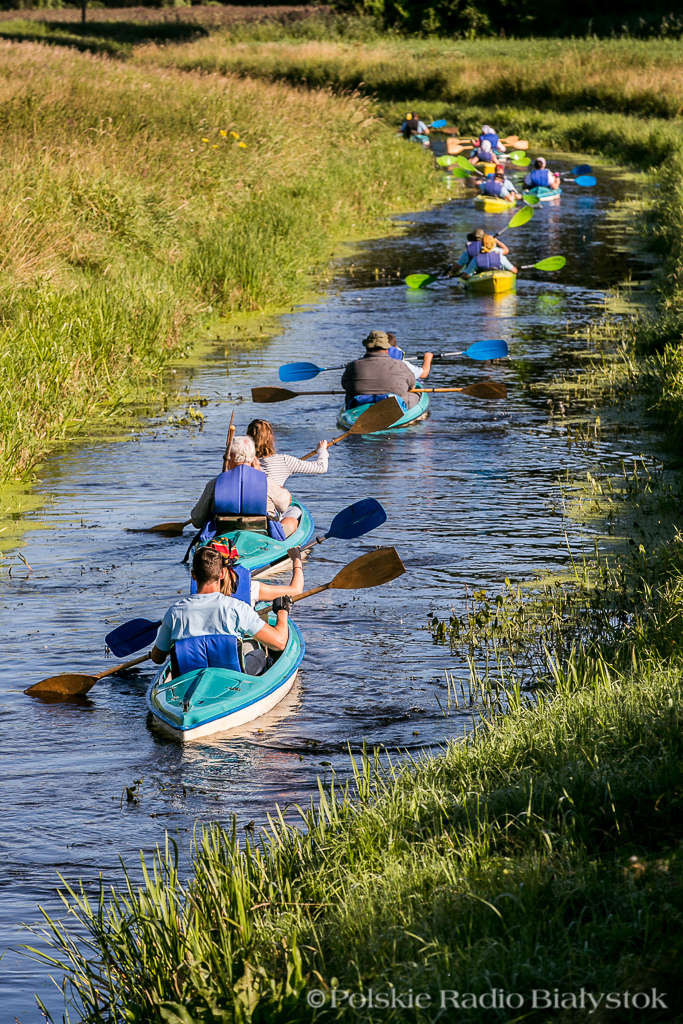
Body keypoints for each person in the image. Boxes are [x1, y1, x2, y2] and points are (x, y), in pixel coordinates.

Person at [151, 546, 292, 677]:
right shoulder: (237, 608)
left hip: (189, 680)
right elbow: (279, 643)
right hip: (232, 680)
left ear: (193, 575)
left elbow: (157, 658)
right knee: (260, 654)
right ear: (222, 573)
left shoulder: (174, 613)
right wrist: (282, 611)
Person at [247, 419, 328, 536]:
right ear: (271, 438)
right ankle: (282, 535)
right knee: (297, 510)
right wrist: (322, 450)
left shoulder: (241, 462)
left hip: (247, 510)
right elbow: (321, 467)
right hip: (270, 513)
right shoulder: (285, 461)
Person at [191, 435, 290, 530]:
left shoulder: (215, 484)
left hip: (223, 535)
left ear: (232, 456)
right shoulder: (267, 482)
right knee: (292, 519)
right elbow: (284, 505)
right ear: (253, 458)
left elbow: (197, 521)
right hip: (261, 534)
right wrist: (259, 474)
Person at [341, 331, 421, 411]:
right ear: (387, 349)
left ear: (366, 348)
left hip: (360, 405)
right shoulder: (400, 365)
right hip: (394, 407)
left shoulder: (353, 366)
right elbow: (412, 386)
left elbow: (344, 385)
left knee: (349, 395)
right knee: (415, 394)